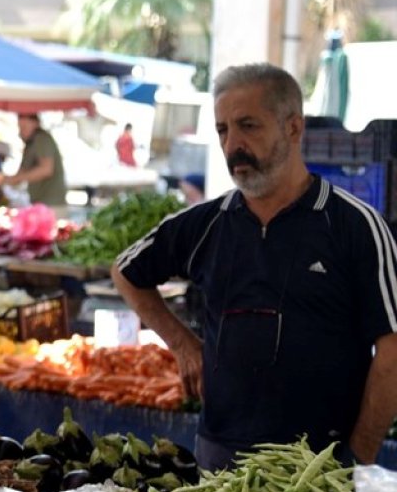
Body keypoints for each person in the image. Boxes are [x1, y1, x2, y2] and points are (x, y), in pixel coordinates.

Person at [112, 63, 397, 470]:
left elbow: (392, 350)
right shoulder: (205, 224)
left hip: (319, 463)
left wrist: (359, 458)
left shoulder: (355, 226)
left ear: (293, 127)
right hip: (221, 455)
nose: (234, 145)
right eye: (224, 130)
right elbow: (126, 272)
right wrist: (183, 345)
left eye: (248, 126)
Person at [0, 112, 67, 210]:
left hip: (52, 204)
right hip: (40, 203)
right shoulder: (30, 143)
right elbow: (21, 173)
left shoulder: (41, 138)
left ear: (36, 123)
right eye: (20, 127)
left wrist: (14, 179)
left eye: (24, 127)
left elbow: (46, 169)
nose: (21, 132)